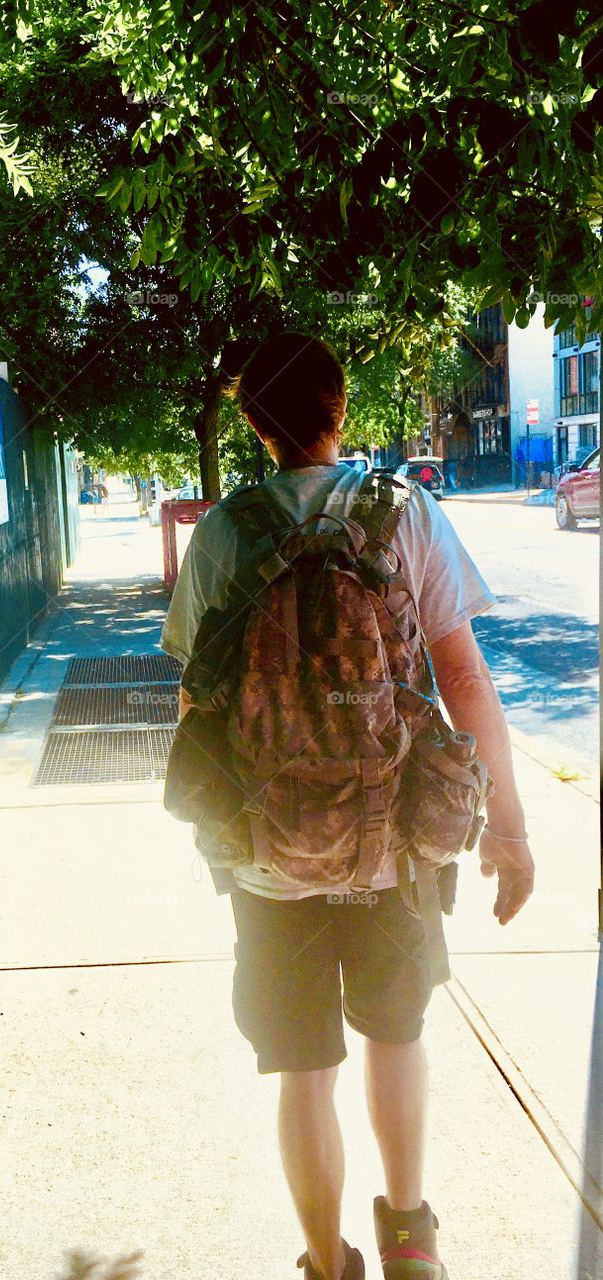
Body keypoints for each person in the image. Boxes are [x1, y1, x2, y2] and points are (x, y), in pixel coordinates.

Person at [160, 332, 535, 1280]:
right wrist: (510, 828)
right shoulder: (404, 512)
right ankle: (411, 1241)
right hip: (397, 845)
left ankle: (328, 1264)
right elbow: (463, 677)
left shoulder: (221, 536)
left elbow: (197, 701)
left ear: (252, 421)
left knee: (303, 1071)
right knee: (397, 1036)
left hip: (266, 854)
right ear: (342, 407)